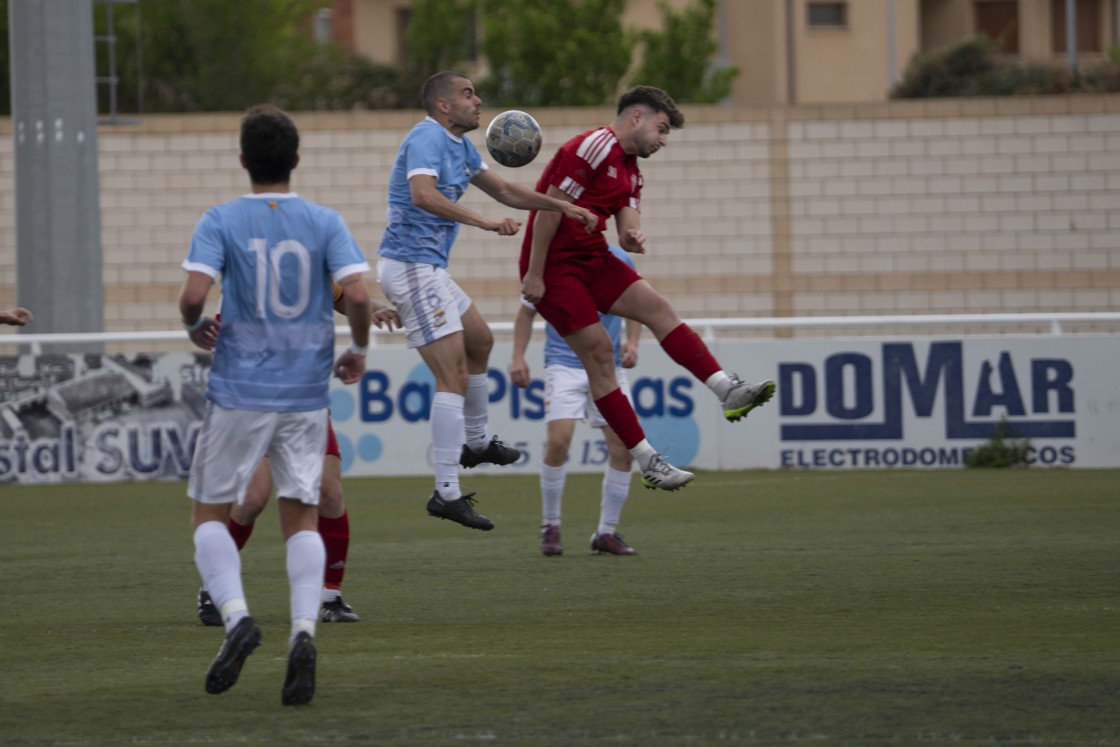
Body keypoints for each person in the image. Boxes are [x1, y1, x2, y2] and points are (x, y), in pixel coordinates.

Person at [179, 104, 372, 706]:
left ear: (243, 160)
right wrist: (358, 349)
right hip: (305, 394)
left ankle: (238, 618)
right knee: (302, 518)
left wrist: (193, 326)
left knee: (209, 515)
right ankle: (304, 631)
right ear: (295, 159)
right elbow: (359, 296)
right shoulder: (322, 220)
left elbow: (192, 296)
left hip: (239, 390)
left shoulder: (221, 219)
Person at [519, 86, 775, 492]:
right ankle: (646, 458)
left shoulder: (633, 169)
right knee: (602, 354)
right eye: (662, 129)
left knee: (659, 309)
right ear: (636, 117)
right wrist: (534, 274)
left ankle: (727, 389)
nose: (664, 140)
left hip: (593, 258)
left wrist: (633, 238)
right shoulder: (592, 146)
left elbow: (626, 229)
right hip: (554, 267)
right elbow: (549, 209)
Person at [376, 70, 598, 532]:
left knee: (479, 342)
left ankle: (475, 444)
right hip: (410, 265)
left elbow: (506, 190)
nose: (477, 101)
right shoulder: (426, 137)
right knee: (452, 375)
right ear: (442, 105)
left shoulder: (459, 148)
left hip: (429, 268)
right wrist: (483, 222)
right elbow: (422, 195)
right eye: (467, 93)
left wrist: (564, 207)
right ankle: (447, 492)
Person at [197, 288, 401, 627]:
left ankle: (330, 595)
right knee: (251, 500)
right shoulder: (242, 271)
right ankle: (214, 583)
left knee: (328, 491)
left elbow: (338, 296)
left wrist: (372, 308)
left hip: (304, 399)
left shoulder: (308, 255)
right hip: (253, 400)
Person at [510, 244, 643, 557]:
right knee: (559, 441)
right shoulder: (548, 259)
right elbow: (526, 313)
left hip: (608, 368)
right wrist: (517, 357)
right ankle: (550, 525)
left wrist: (633, 342)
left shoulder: (619, 259)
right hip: (563, 364)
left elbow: (637, 304)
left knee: (624, 450)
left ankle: (606, 533)